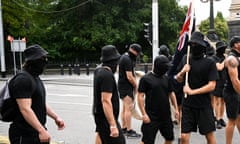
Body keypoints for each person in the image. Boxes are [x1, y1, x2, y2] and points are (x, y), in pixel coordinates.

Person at [8, 44, 65, 144]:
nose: (45, 61)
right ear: (32, 61)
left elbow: (40, 102)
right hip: (24, 134)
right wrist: (41, 130)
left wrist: (55, 117)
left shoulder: (35, 77)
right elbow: (25, 108)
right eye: (42, 58)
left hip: (35, 132)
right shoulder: (23, 79)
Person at [175, 31, 218, 144]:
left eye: (196, 44)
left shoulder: (210, 62)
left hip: (204, 105)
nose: (193, 46)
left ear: (202, 46)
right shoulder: (186, 59)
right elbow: (178, 79)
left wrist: (192, 92)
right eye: (192, 44)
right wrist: (182, 72)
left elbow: (212, 85)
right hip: (188, 105)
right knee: (184, 137)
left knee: (209, 136)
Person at [137, 55, 179, 144]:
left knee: (169, 138)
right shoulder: (145, 79)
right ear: (158, 66)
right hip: (151, 116)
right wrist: (144, 114)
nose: (167, 69)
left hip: (165, 115)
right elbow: (140, 96)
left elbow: (171, 93)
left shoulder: (166, 78)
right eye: (165, 67)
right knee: (146, 141)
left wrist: (176, 109)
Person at [93, 45, 126, 144]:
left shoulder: (98, 70)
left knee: (101, 136)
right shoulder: (107, 75)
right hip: (106, 117)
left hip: (99, 114)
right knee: (119, 142)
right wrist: (112, 125)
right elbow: (106, 100)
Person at [118, 43, 142, 138]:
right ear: (134, 51)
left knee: (124, 108)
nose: (137, 55)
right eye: (138, 53)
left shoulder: (124, 57)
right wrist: (136, 85)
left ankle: (123, 128)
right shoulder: (127, 60)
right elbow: (129, 76)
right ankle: (129, 130)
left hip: (122, 85)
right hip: (126, 86)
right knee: (128, 108)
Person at [223, 36, 240, 144]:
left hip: (237, 92)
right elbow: (235, 81)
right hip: (232, 92)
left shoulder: (236, 57)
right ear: (236, 44)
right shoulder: (232, 59)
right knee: (232, 120)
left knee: (239, 118)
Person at [210, 41, 227, 129]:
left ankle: (221, 118)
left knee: (223, 101)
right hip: (217, 81)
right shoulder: (213, 58)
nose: (224, 50)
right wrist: (227, 60)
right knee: (217, 101)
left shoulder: (224, 57)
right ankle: (217, 119)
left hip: (224, 81)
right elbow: (219, 67)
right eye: (222, 48)